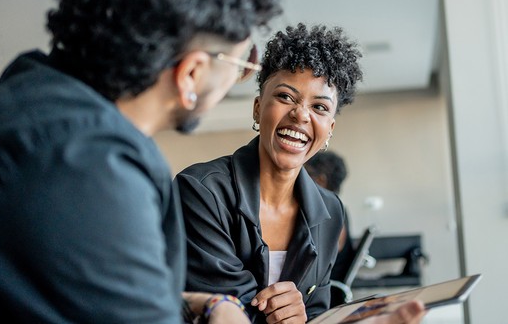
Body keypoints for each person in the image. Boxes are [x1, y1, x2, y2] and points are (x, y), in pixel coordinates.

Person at [0, 0, 281, 323]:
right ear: (192, 73)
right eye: (243, 64)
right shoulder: (88, 163)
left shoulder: (42, 117)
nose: (239, 78)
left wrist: (207, 303)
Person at [175, 23, 427, 324]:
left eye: (320, 107)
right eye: (285, 97)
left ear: (329, 129)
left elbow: (316, 312)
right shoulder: (202, 191)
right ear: (257, 109)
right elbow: (224, 310)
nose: (301, 115)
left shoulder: (330, 211)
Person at [305, 151, 356, 307]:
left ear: (320, 180)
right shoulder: (336, 209)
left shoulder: (329, 212)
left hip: (321, 298)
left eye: (305, 175)